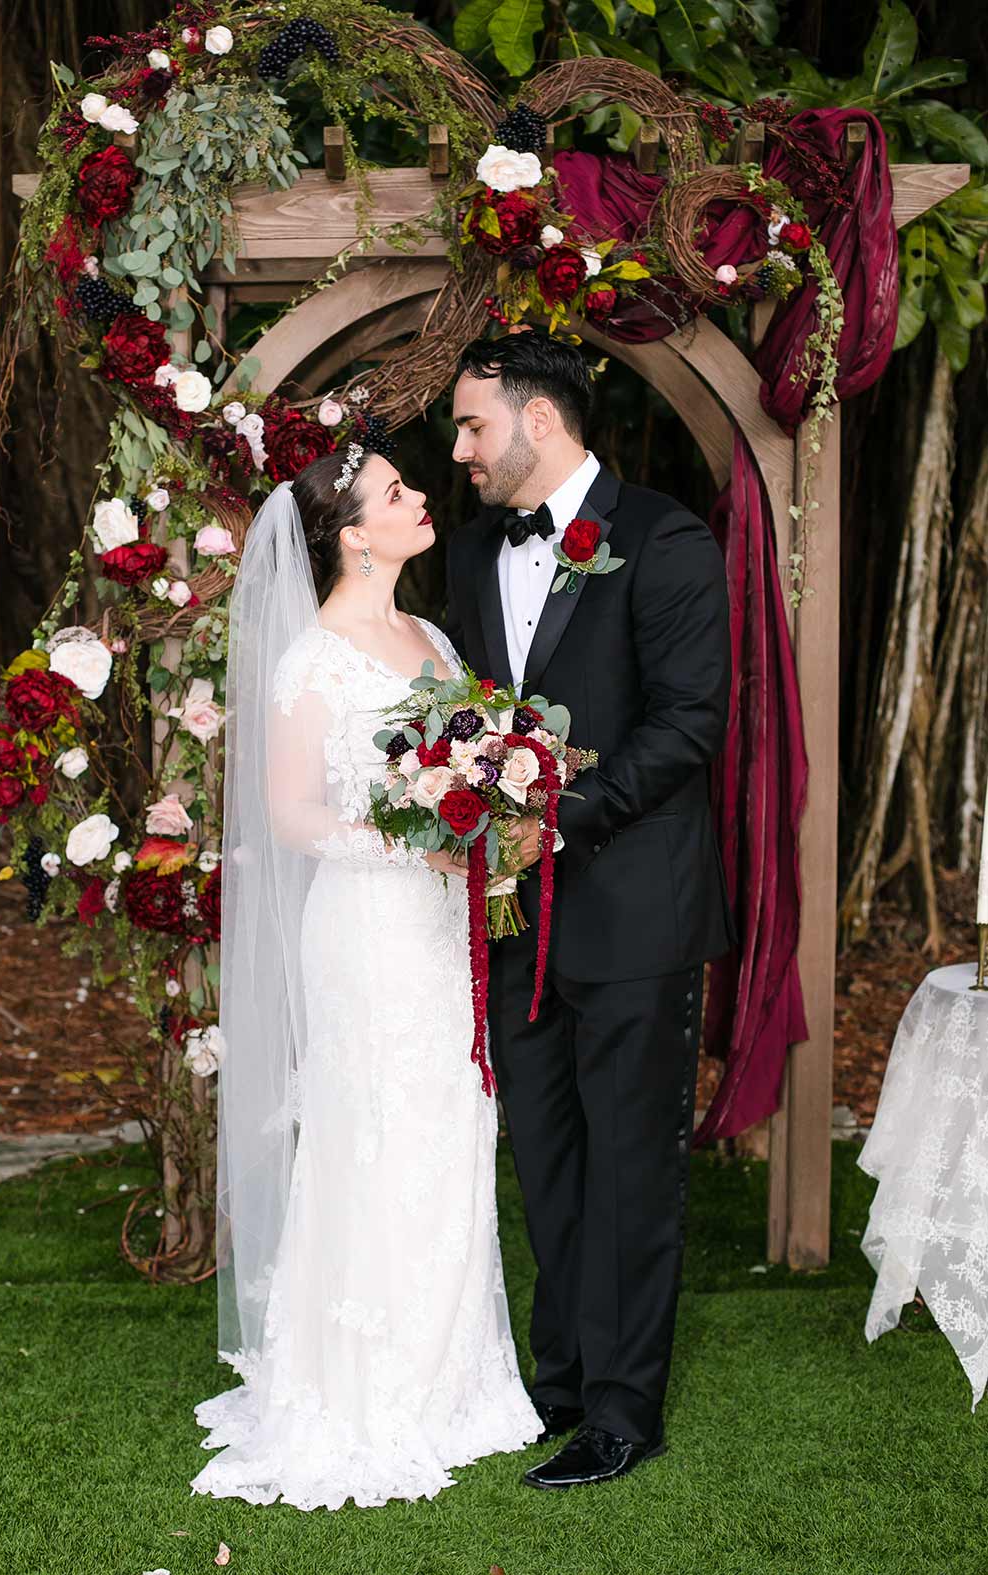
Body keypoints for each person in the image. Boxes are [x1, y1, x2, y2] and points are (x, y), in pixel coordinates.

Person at [190, 450, 540, 1511]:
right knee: (373, 1129)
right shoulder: (311, 663)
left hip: (438, 928)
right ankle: (358, 1389)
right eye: (396, 494)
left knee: (450, 1119)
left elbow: (460, 765)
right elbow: (292, 817)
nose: (421, 498)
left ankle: (447, 1375)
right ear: (351, 532)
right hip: (365, 928)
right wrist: (414, 844)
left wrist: (490, 811)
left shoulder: (431, 640)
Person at [446, 331, 737, 1490]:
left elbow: (690, 723)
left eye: (474, 426)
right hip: (516, 914)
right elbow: (473, 710)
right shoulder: (473, 553)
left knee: (628, 1163)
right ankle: (558, 1380)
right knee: (550, 1157)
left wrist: (558, 817)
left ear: (541, 421)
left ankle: (624, 1412)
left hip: (633, 907)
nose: (461, 449)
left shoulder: (666, 539)